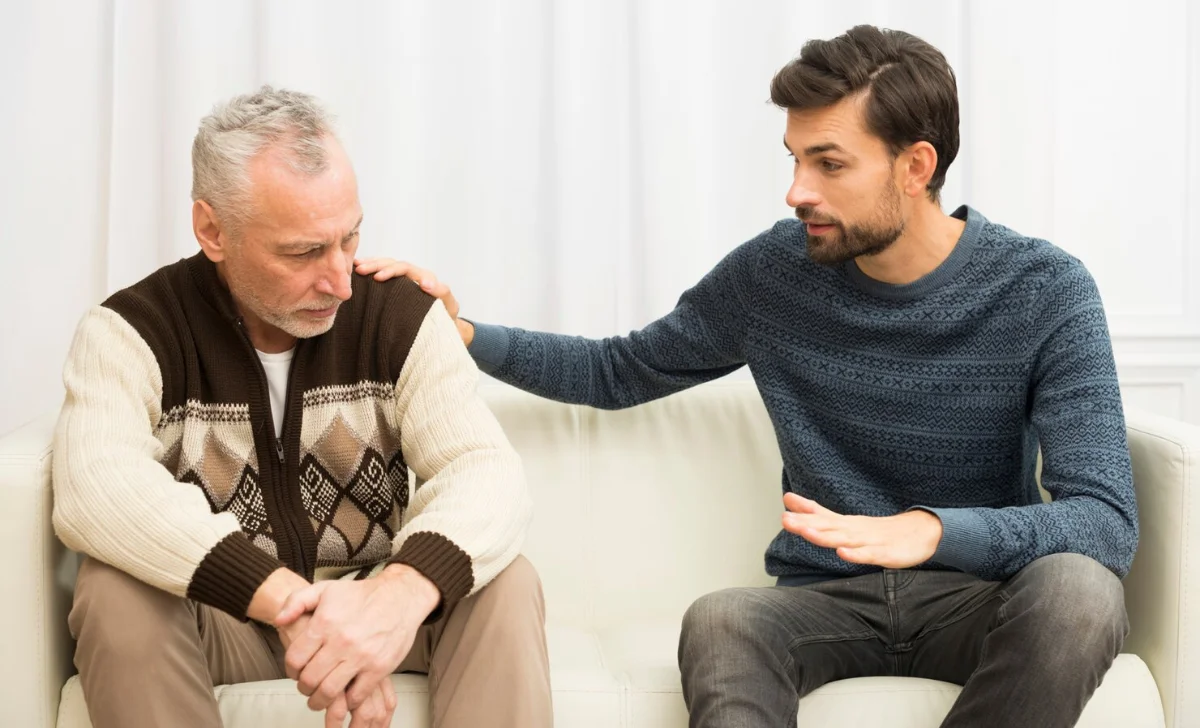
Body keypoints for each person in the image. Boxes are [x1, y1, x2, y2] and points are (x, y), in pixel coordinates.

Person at [356, 25, 1138, 728]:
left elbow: (1104, 520)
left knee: (1082, 593)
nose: (798, 191)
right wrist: (462, 334)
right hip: (824, 600)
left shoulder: (1044, 291)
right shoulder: (777, 272)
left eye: (829, 164)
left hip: (977, 596)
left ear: (916, 166)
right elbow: (621, 368)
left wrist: (931, 530)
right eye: (796, 160)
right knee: (722, 619)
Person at [52, 86, 552, 728]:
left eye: (349, 238)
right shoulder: (131, 331)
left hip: (380, 607)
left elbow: (485, 471)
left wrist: (394, 598)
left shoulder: (399, 314)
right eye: (304, 252)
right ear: (212, 229)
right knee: (113, 589)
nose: (341, 281)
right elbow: (97, 485)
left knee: (506, 582)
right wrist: (289, 601)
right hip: (230, 613)